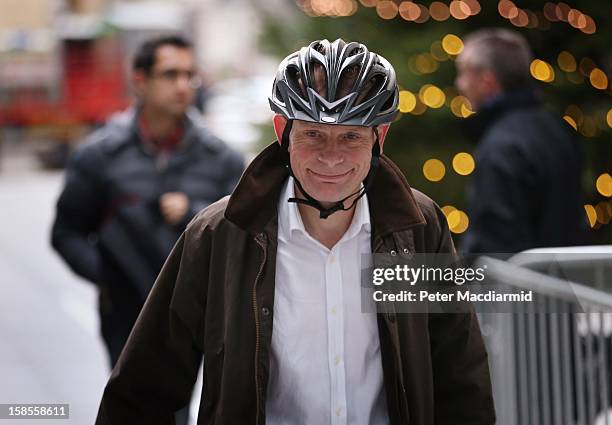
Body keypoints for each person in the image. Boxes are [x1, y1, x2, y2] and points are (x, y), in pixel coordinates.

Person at [95, 39, 495, 425]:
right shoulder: (220, 233)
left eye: (351, 136)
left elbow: (459, 375)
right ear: (282, 131)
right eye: (313, 134)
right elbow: (143, 388)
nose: (331, 156)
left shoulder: (420, 226)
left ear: (379, 137)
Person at [51, 34, 245, 367]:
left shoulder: (221, 158)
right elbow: (66, 233)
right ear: (140, 81)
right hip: (124, 316)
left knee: (177, 411)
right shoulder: (100, 155)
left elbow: (243, 232)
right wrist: (110, 278)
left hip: (192, 313)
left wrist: (194, 210)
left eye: (189, 75)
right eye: (170, 75)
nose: (183, 85)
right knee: (128, 406)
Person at [455, 28, 584, 254]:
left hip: (524, 285)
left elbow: (495, 242)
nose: (460, 85)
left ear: (487, 80)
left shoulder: (502, 146)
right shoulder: (557, 127)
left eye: (464, 74)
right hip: (568, 282)